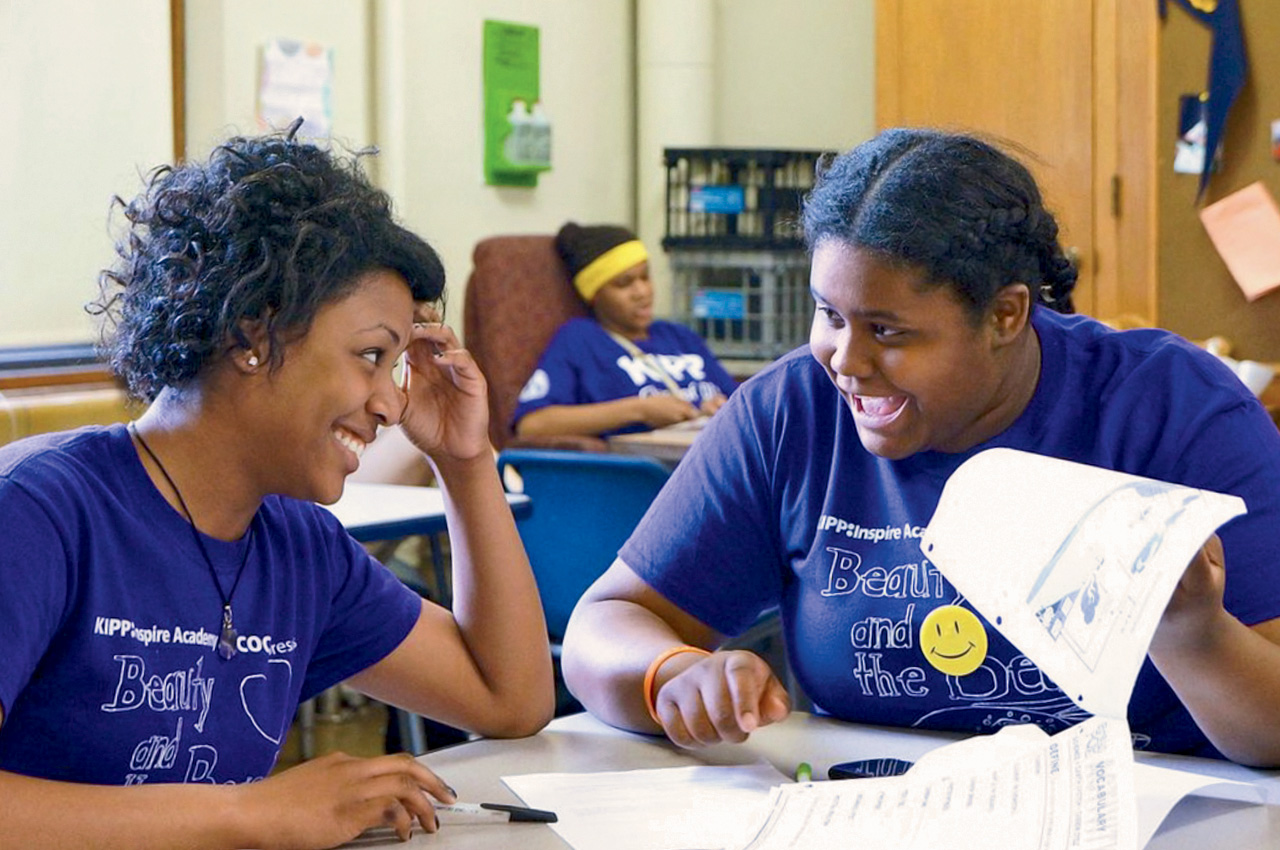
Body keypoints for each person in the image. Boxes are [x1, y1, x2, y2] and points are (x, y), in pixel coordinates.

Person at [560, 128, 1280, 767]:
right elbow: (603, 627)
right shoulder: (793, 411)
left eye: (889, 330)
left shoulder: (1174, 407)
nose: (846, 359)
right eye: (829, 315)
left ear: (1005, 314)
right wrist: (673, 673)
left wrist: (1192, 632)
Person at [0, 123, 555, 849]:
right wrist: (252, 813)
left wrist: (465, 460)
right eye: (370, 356)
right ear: (252, 334)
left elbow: (510, 699)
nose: (390, 403)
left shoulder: (300, 550)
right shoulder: (40, 511)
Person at [511, 222, 740, 439]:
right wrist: (639, 410)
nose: (642, 292)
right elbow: (532, 425)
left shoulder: (679, 336)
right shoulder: (580, 339)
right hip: (642, 470)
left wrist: (717, 407)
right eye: (624, 283)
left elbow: (740, 403)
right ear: (594, 295)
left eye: (645, 277)